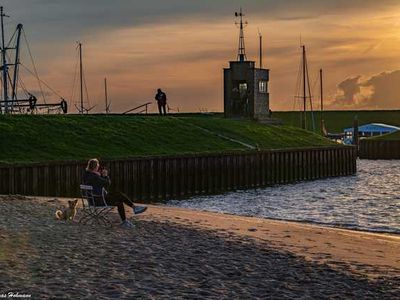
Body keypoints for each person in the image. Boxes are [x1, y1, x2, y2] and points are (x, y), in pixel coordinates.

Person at [83, 158, 147, 229]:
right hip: (100, 200)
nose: (98, 169)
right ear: (95, 167)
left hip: (93, 200)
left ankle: (127, 218)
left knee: (119, 199)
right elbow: (107, 183)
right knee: (119, 195)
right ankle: (133, 209)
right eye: (97, 167)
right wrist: (105, 175)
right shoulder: (94, 177)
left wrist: (99, 176)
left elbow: (97, 183)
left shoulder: (86, 175)